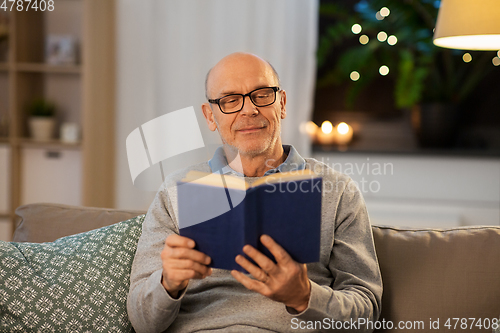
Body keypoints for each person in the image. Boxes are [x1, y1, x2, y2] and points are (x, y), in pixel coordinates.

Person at [127, 52, 382, 332]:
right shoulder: (175, 192)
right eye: (230, 100)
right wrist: (168, 283)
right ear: (210, 116)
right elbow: (142, 323)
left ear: (282, 103)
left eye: (261, 94)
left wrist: (305, 296)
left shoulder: (338, 191)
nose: (248, 110)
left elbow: (365, 314)